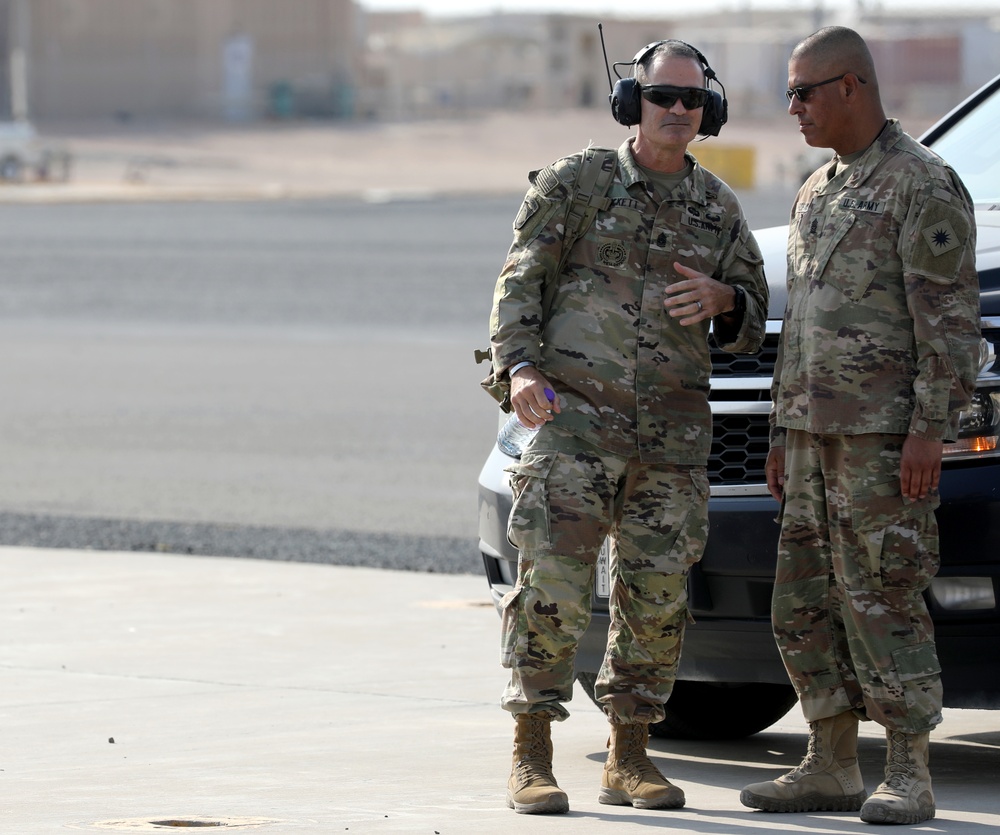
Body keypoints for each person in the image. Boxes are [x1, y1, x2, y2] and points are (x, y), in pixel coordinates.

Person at [489, 38, 768, 815]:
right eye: (661, 97)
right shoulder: (577, 184)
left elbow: (752, 318)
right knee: (552, 590)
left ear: (706, 110)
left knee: (655, 599)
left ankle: (630, 756)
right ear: (630, 103)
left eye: (690, 100)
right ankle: (532, 753)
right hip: (574, 426)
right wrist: (519, 370)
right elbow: (520, 282)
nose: (676, 111)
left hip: (671, 442)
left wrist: (726, 301)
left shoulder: (718, 208)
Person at [740, 26, 980, 826]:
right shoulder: (817, 190)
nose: (794, 108)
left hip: (882, 442)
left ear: (853, 87)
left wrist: (928, 431)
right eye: (789, 93)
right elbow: (799, 325)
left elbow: (947, 324)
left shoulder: (923, 184)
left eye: (805, 92)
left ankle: (909, 768)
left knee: (884, 596)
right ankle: (832, 761)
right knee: (802, 603)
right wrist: (781, 431)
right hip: (810, 440)